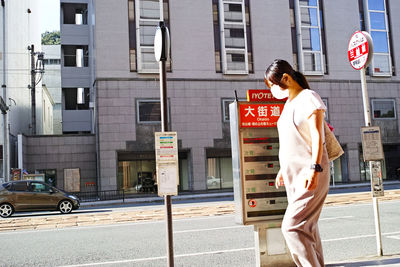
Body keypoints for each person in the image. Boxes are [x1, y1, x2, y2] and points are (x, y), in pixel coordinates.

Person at [264, 59, 330, 267]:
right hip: (294, 176)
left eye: (273, 85)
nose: (273, 90)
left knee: (292, 228)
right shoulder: (288, 105)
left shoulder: (309, 98)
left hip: (310, 172)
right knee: (307, 229)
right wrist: (282, 171)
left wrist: (315, 168)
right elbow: (291, 141)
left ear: (286, 78)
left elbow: (317, 135)